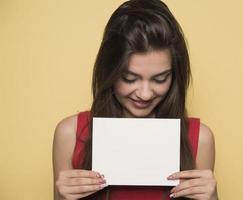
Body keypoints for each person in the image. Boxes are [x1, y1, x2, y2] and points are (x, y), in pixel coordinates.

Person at [52, 0, 218, 199]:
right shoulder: (70, 134)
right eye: (129, 78)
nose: (145, 94)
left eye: (160, 78)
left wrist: (212, 197)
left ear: (175, 76)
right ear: (110, 72)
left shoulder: (200, 139)